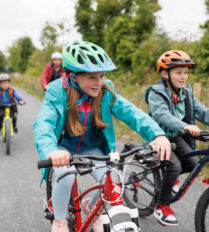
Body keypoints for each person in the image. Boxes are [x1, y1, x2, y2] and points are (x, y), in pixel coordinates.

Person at [34, 41, 171, 232]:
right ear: (73, 75)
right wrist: (51, 151)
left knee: (112, 180)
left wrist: (157, 134)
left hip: (91, 148)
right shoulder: (57, 92)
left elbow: (132, 113)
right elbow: (43, 125)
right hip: (63, 148)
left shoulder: (105, 92)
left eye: (102, 76)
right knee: (64, 176)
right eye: (92, 77)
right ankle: (59, 220)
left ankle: (91, 209)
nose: (99, 82)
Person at [144, 50, 209, 226]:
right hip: (158, 136)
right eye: (179, 72)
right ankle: (161, 205)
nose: (184, 76)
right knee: (174, 166)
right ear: (165, 74)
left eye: (186, 72)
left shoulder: (186, 93)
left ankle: (168, 179)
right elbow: (161, 115)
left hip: (176, 137)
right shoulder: (155, 93)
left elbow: (202, 112)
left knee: (193, 162)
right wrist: (185, 126)